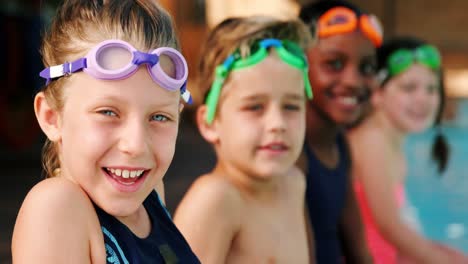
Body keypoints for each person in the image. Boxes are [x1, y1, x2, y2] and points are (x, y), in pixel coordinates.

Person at [11, 0, 200, 263]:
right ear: (52, 117)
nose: (136, 145)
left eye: (159, 117)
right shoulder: (57, 208)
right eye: (108, 112)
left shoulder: (151, 195)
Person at [173, 16, 314, 263]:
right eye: (255, 107)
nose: (277, 124)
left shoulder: (294, 183)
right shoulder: (215, 201)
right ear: (210, 123)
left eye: (291, 106)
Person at [348, 36, 468, 264]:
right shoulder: (371, 140)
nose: (422, 99)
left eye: (431, 89)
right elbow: (390, 228)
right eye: (409, 88)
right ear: (377, 93)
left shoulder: (389, 140)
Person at [298, 1, 381, 263]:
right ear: (299, 64)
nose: (353, 81)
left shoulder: (338, 145)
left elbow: (359, 250)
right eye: (334, 63)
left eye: (366, 68)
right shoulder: (290, 155)